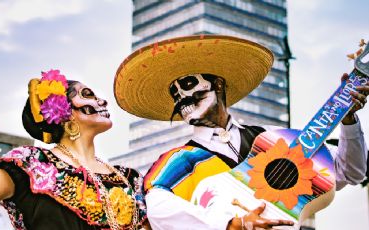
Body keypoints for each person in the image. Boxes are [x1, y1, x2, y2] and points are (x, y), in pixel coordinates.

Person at [113, 35, 368, 229]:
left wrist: (347, 121)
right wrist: (231, 223)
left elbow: (350, 172)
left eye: (189, 85)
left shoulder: (273, 138)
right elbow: (156, 208)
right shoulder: (178, 160)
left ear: (219, 84)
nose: (182, 98)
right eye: (175, 94)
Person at [0, 69, 148, 229]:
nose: (102, 101)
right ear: (64, 110)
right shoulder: (31, 163)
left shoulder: (128, 178)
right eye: (87, 95)